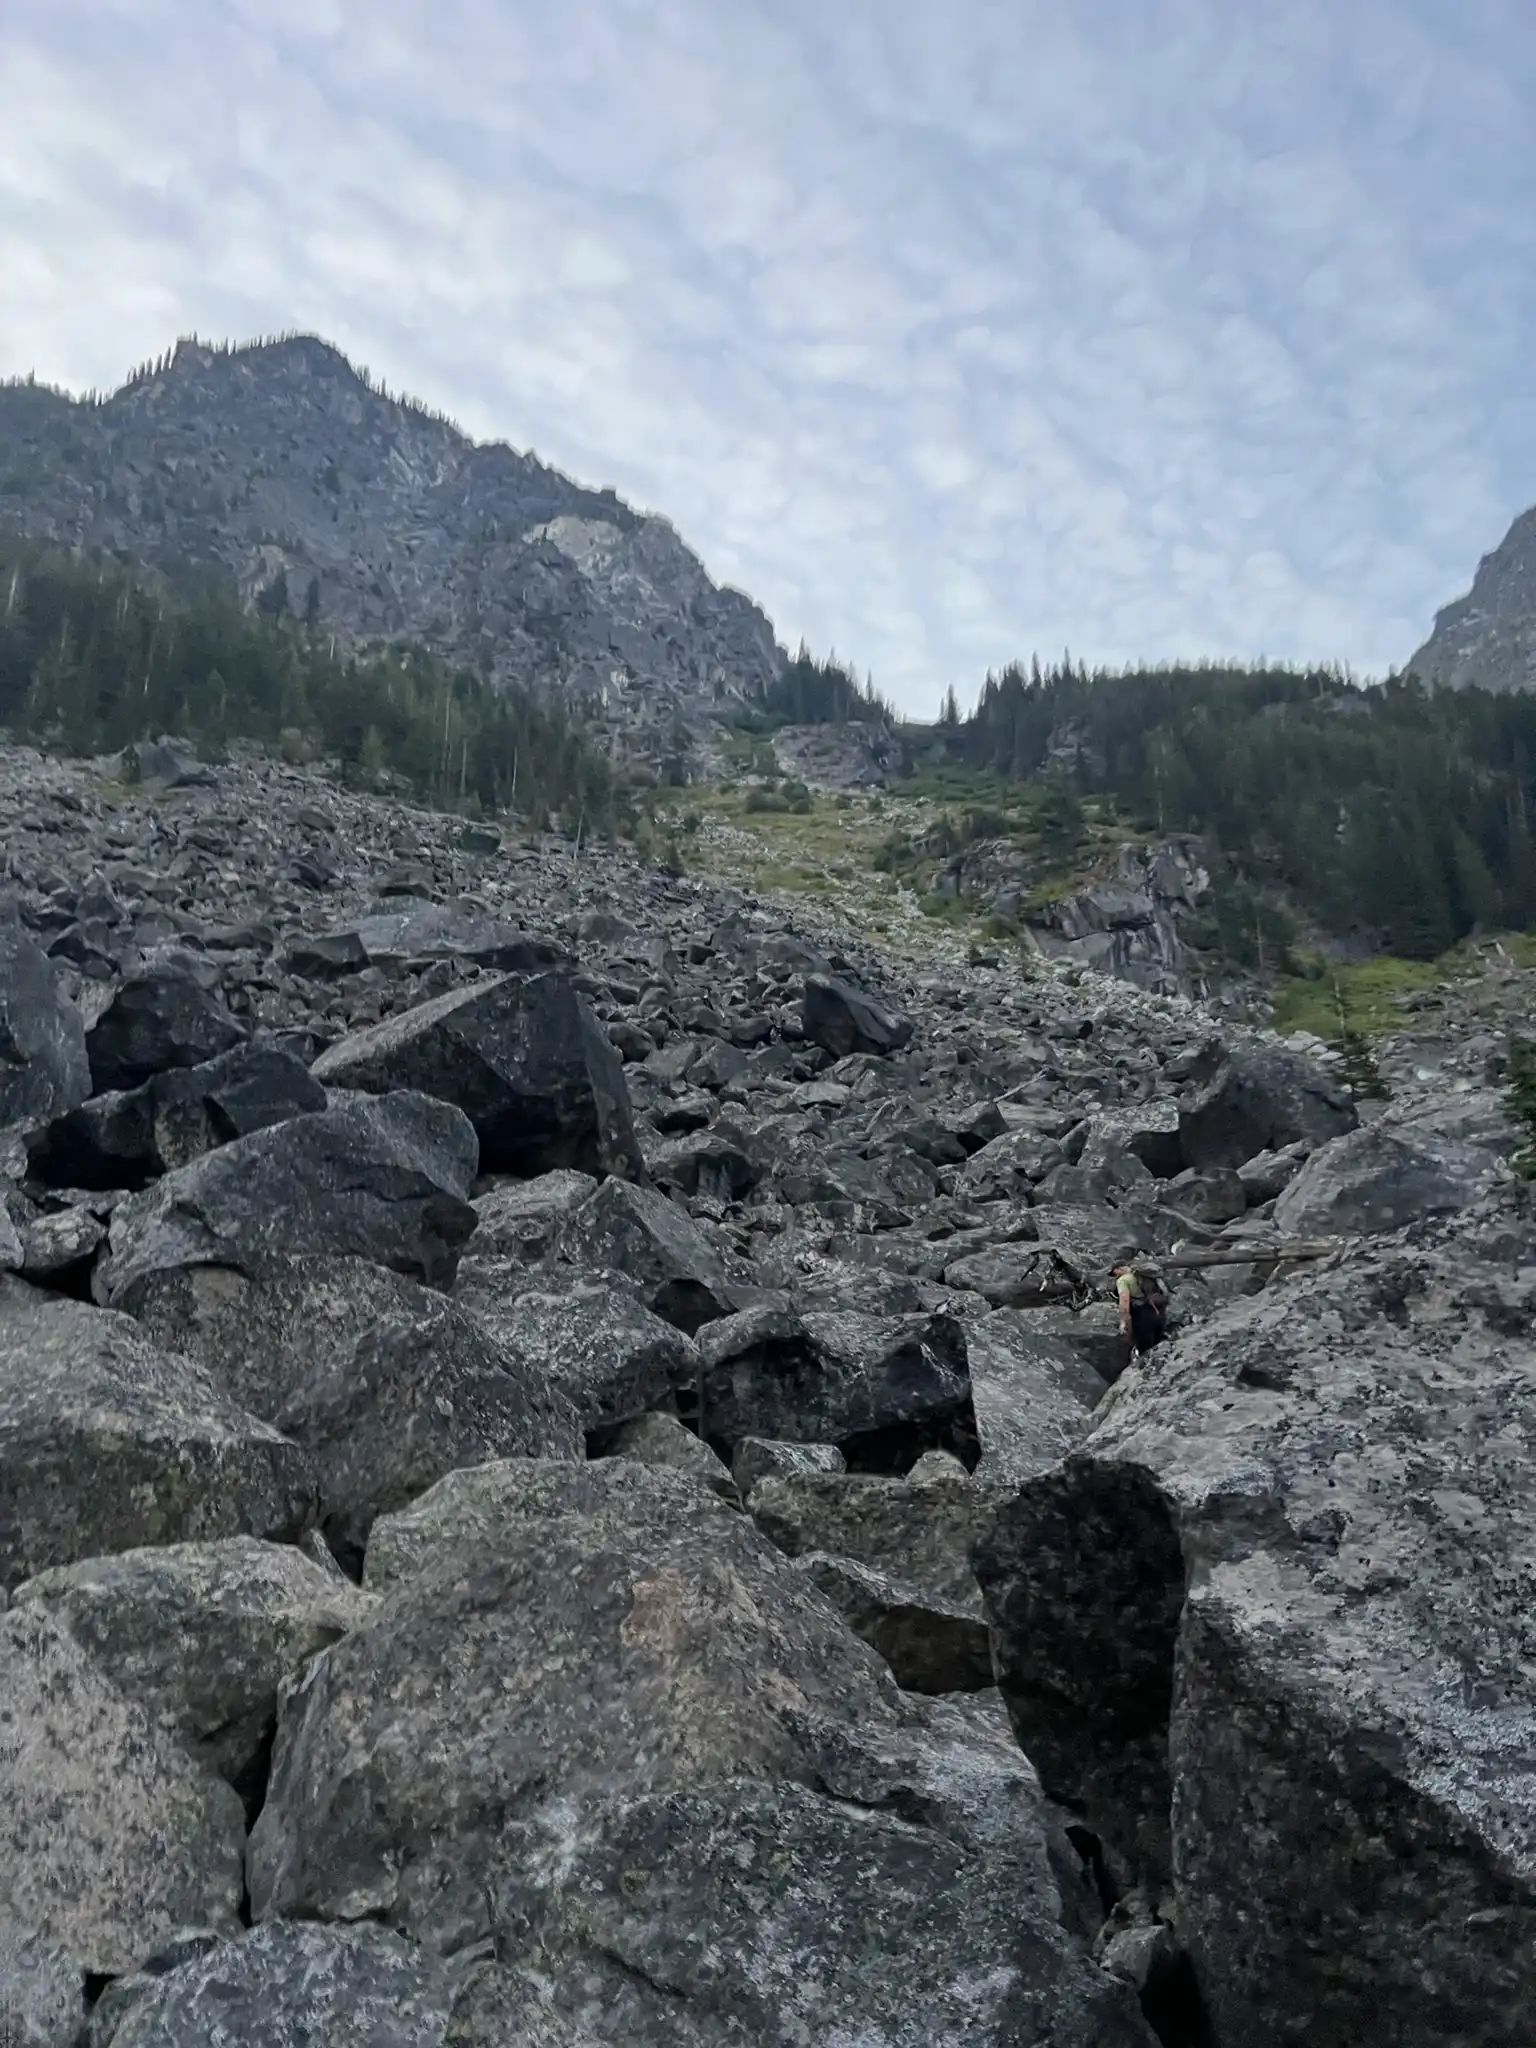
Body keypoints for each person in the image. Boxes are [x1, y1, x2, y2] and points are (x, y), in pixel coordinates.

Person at [1113, 1258, 1168, 1359]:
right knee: (1159, 1342)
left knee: (1145, 1348)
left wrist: (1123, 1322)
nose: (1115, 1276)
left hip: (1143, 1314)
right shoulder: (1146, 1275)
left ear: (1119, 1269)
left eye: (1114, 1273)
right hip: (1159, 1309)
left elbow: (1124, 1300)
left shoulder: (1123, 1280)